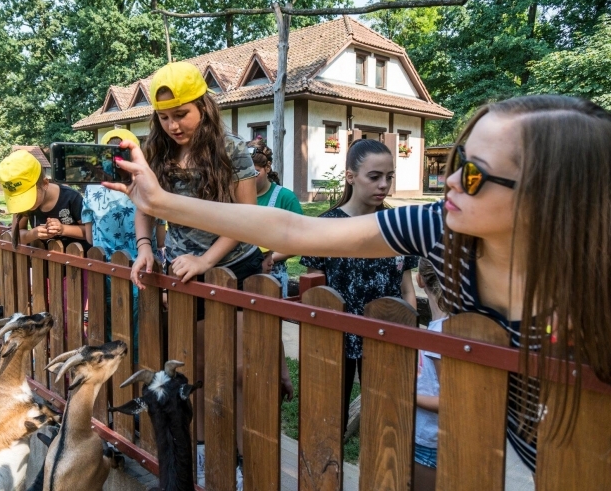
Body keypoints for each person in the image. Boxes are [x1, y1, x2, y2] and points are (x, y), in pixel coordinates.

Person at [105, 95, 611, 473]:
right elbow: (295, 229)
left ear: (551, 199)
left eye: (473, 175)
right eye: (455, 165)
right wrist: (160, 202)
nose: (449, 183)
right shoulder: (442, 229)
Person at [129, 61, 290, 487]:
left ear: (203, 105)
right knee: (195, 372)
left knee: (237, 370)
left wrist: (205, 261)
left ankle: (237, 457)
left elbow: (246, 219)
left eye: (180, 114)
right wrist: (145, 248)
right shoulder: (156, 151)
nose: (172, 125)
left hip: (236, 269)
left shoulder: (234, 149)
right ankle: (200, 453)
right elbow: (144, 206)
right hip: (185, 274)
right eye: (164, 117)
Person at [300, 139, 418, 407]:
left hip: (387, 336)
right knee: (329, 414)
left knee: (386, 417)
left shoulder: (398, 226)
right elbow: (315, 291)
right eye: (374, 177)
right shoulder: (326, 227)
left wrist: (409, 334)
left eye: (389, 177)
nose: (384, 185)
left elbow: (407, 288)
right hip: (333, 339)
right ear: (351, 177)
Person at [81, 129, 159, 362]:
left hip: (103, 273)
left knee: (105, 334)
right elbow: (161, 238)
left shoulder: (92, 189)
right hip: (143, 276)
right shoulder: (150, 187)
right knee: (141, 339)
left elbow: (88, 237)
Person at [0, 149, 88, 249]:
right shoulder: (24, 207)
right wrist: (32, 234)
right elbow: (17, 236)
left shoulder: (71, 198)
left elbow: (91, 234)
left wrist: (63, 229)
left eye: (27, 197)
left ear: (45, 183)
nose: (25, 204)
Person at [248, 137, 303, 297]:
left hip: (274, 275)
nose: (249, 177)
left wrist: (267, 257)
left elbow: (298, 241)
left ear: (268, 167)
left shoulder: (285, 198)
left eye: (255, 172)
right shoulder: (235, 197)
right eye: (244, 173)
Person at [414, 258, 448, 491]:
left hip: (430, 441)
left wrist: (407, 394)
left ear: (420, 279)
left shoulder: (439, 335)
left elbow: (450, 401)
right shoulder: (447, 327)